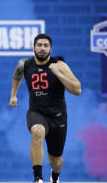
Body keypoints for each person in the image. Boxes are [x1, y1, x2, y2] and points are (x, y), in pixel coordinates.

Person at [9, 33, 81, 183]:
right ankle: (38, 178)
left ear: (50, 49)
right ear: (33, 47)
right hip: (37, 112)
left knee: (56, 161)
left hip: (57, 117)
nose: (42, 48)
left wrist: (59, 74)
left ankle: (54, 177)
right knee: (37, 132)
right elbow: (17, 75)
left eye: (46, 46)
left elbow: (77, 90)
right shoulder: (25, 64)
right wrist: (13, 95)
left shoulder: (60, 65)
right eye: (39, 45)